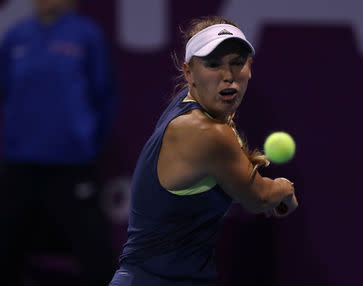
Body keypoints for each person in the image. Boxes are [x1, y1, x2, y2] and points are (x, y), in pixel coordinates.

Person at [109, 16, 298, 286]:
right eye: (213, 64)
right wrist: (284, 188)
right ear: (189, 73)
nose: (228, 75)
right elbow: (259, 198)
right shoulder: (207, 132)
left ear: (250, 68)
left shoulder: (187, 103)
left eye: (237, 62)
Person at [0, 0, 116, 285]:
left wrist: (86, 142)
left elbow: (104, 95)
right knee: (5, 249)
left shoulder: (86, 35)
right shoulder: (16, 36)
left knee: (95, 253)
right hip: (19, 163)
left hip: (72, 164)